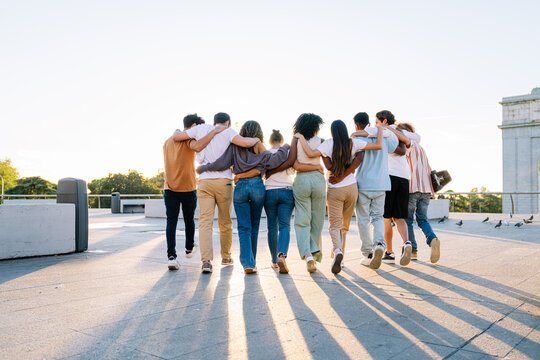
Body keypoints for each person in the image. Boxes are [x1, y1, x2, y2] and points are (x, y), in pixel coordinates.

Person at [172, 113, 260, 274]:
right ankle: (226, 256)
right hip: (224, 181)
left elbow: (177, 138)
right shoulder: (228, 131)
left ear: (214, 122)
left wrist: (180, 134)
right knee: (225, 221)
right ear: (227, 122)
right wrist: (256, 140)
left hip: (204, 181)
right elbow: (246, 143)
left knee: (205, 221)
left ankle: (206, 261)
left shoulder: (200, 129)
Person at [197, 121, 290, 274]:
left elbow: (222, 163)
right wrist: (285, 147)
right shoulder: (258, 145)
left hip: (240, 188)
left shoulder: (234, 146)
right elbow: (273, 161)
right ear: (258, 132)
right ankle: (251, 262)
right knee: (254, 226)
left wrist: (203, 168)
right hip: (257, 188)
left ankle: (248, 263)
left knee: (243, 227)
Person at [297, 120, 383, 274]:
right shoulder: (353, 143)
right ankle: (339, 258)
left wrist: (301, 138)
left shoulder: (328, 144)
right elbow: (378, 145)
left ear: (332, 131)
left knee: (334, 225)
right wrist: (381, 129)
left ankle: (337, 251)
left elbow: (310, 153)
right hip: (352, 188)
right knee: (344, 226)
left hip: (335, 189)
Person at [164, 113, 225, 270]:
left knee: (171, 222)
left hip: (169, 187)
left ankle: (171, 257)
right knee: (189, 219)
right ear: (193, 127)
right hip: (188, 187)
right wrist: (213, 132)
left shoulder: (167, 142)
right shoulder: (190, 140)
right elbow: (198, 147)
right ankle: (189, 248)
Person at [345, 112, 400, 269]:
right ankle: (380, 244)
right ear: (369, 123)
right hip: (381, 184)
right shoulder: (383, 138)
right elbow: (395, 147)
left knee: (363, 219)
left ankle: (368, 253)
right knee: (378, 217)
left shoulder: (357, 139)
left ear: (356, 125)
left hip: (363, 184)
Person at [376, 110, 421, 266]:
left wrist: (384, 129)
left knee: (386, 217)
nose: (376, 124)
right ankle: (407, 243)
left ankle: (389, 252)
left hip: (388, 177)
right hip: (404, 178)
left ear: (384, 120)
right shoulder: (402, 132)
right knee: (400, 217)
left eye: (377, 121)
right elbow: (417, 138)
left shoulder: (383, 131)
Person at [397, 122, 441, 263]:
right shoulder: (422, 148)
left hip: (412, 188)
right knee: (422, 219)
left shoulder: (408, 146)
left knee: (407, 220)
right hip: (426, 189)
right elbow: (429, 168)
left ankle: (413, 250)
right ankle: (432, 238)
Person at [291, 113, 327, 273]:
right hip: (318, 180)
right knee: (317, 219)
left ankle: (307, 254)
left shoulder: (296, 140)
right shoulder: (323, 142)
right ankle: (314, 251)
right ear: (315, 128)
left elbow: (295, 165)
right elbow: (325, 163)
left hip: (302, 181)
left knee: (302, 219)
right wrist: (317, 167)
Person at [264, 130, 296, 274]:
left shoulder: (265, 153)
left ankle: (273, 261)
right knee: (284, 226)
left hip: (269, 192)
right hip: (286, 191)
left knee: (272, 227)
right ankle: (281, 255)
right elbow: (291, 171)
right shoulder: (287, 153)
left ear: (270, 141)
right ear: (281, 141)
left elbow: (263, 174)